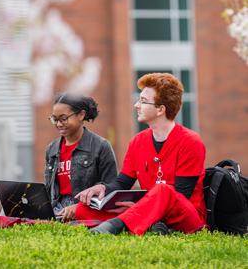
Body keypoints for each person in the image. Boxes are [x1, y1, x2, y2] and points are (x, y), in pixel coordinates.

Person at [75, 73, 207, 235]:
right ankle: (151, 224)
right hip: (147, 208)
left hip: (185, 217)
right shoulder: (138, 141)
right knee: (83, 209)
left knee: (164, 190)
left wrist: (140, 207)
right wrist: (102, 188)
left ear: (160, 109)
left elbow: (181, 196)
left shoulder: (191, 141)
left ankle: (115, 226)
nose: (137, 105)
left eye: (143, 101)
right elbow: (123, 182)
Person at [45, 93, 118, 221]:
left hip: (88, 211)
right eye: (54, 119)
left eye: (63, 118)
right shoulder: (52, 149)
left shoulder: (100, 146)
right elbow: (48, 189)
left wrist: (80, 207)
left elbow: (110, 187)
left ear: (81, 115)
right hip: (57, 212)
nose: (59, 124)